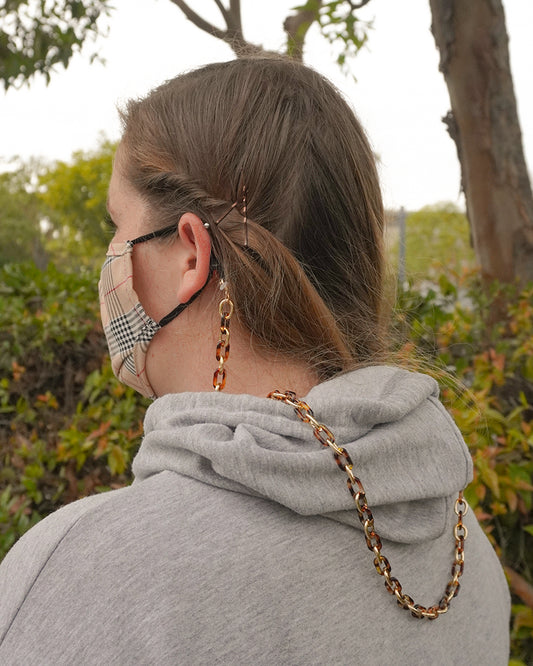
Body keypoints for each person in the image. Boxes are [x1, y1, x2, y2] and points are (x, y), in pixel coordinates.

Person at [0, 57, 510, 665]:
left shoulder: (85, 575)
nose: (110, 256)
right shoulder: (466, 552)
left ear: (192, 255)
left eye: (116, 224)